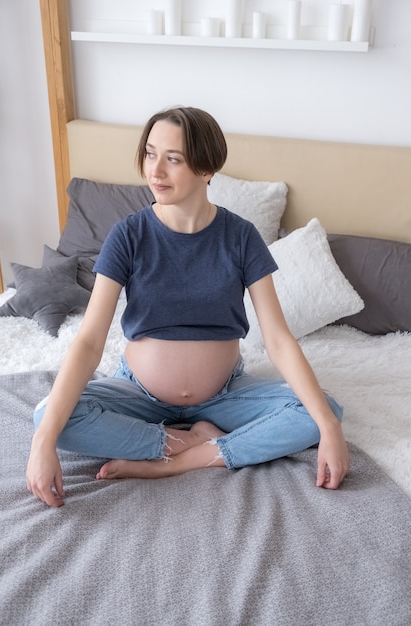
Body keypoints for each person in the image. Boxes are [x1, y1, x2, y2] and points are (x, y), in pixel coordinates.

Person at [26, 106, 349, 507]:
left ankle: (179, 461)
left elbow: (278, 340)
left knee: (324, 411)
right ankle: (188, 439)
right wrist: (43, 443)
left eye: (173, 159)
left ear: (207, 168)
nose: (155, 171)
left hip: (223, 396)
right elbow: (89, 342)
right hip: (138, 394)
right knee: (48, 418)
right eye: (149, 153)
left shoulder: (241, 236)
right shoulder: (128, 235)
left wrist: (330, 430)